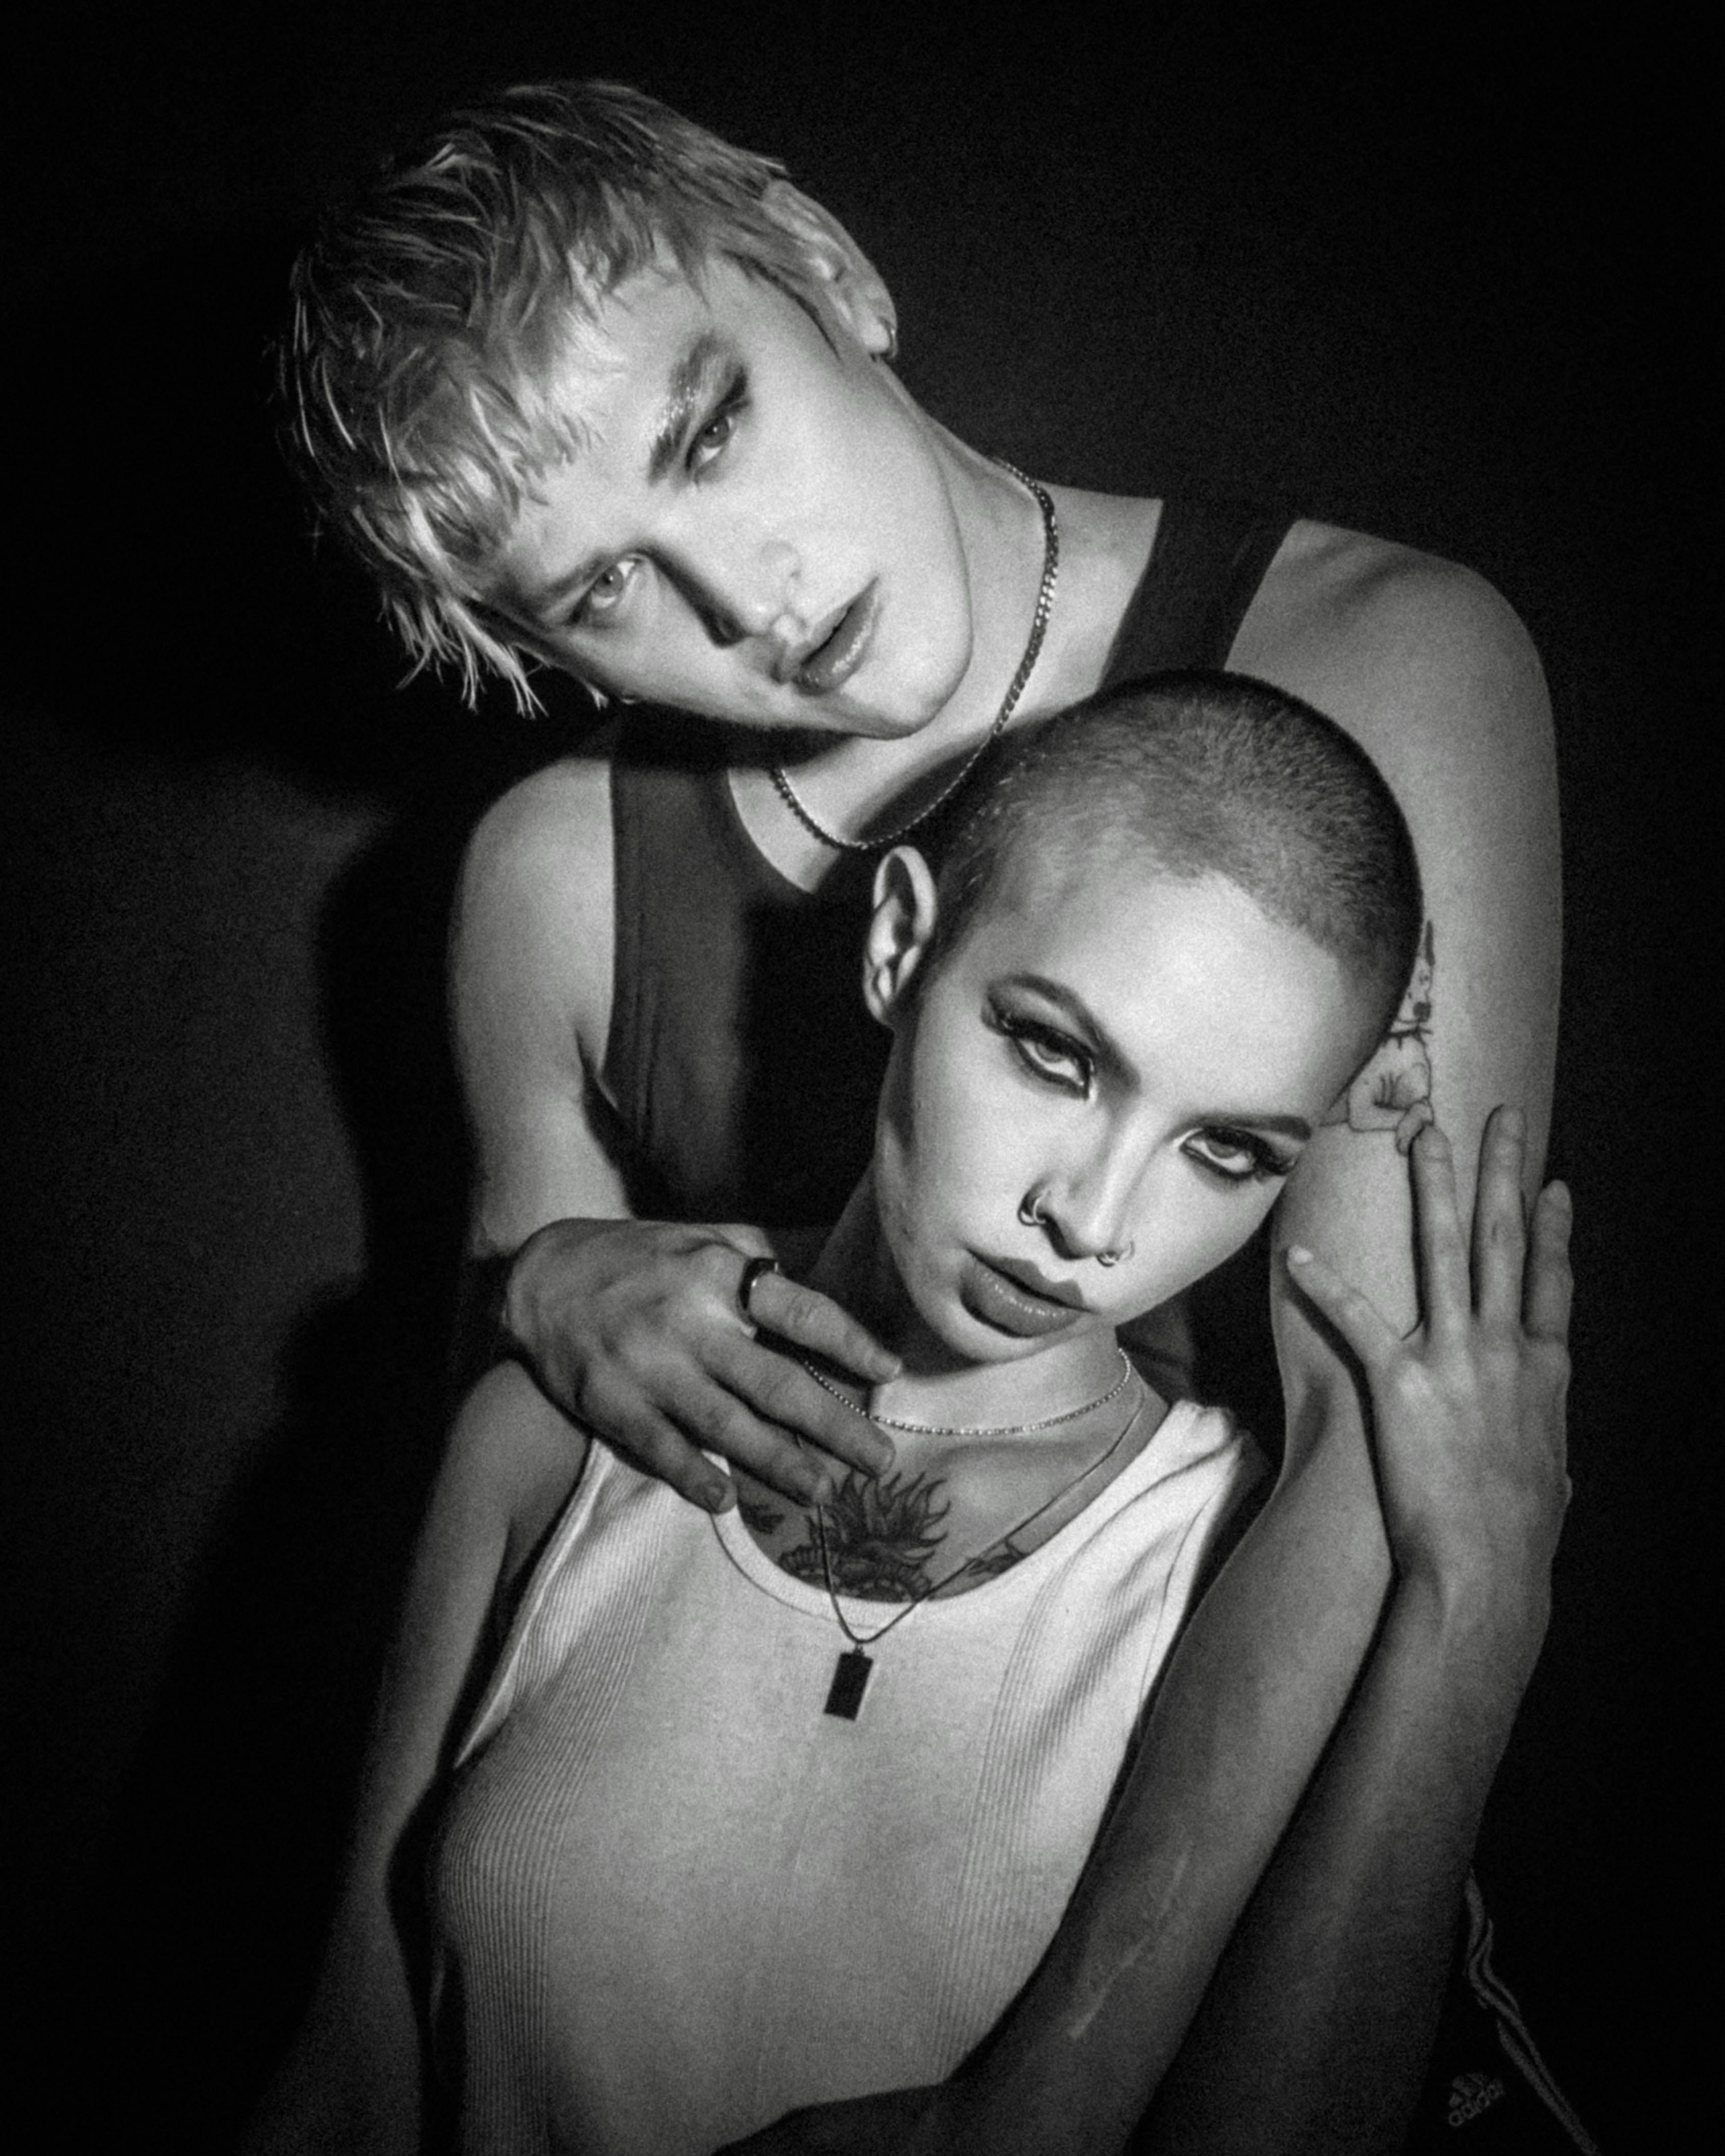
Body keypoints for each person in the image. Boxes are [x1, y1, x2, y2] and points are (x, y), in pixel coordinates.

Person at [278, 83, 1565, 2147]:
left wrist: (1050, 2093)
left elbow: (1379, 1466)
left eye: (709, 428)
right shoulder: (554, 879)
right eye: (601, 590)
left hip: (1219, 1939)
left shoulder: (1376, 659)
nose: (746, 598)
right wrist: (542, 1285)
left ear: (823, 271)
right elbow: (508, 1532)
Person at [245, 676, 1572, 2154]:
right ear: (899, 947)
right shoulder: (545, 1444)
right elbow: (346, 2083)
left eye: (1225, 1151)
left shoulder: (1247, 1584)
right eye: (1056, 1055)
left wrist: (1482, 1594)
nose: (1091, 1220)